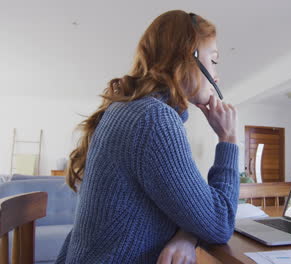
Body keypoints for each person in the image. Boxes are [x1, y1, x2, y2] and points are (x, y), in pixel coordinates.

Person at [56, 10, 239, 264]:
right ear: (189, 56)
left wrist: (187, 234)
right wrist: (228, 139)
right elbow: (220, 223)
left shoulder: (131, 110)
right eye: (214, 60)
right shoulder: (154, 120)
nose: (216, 75)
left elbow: (190, 207)